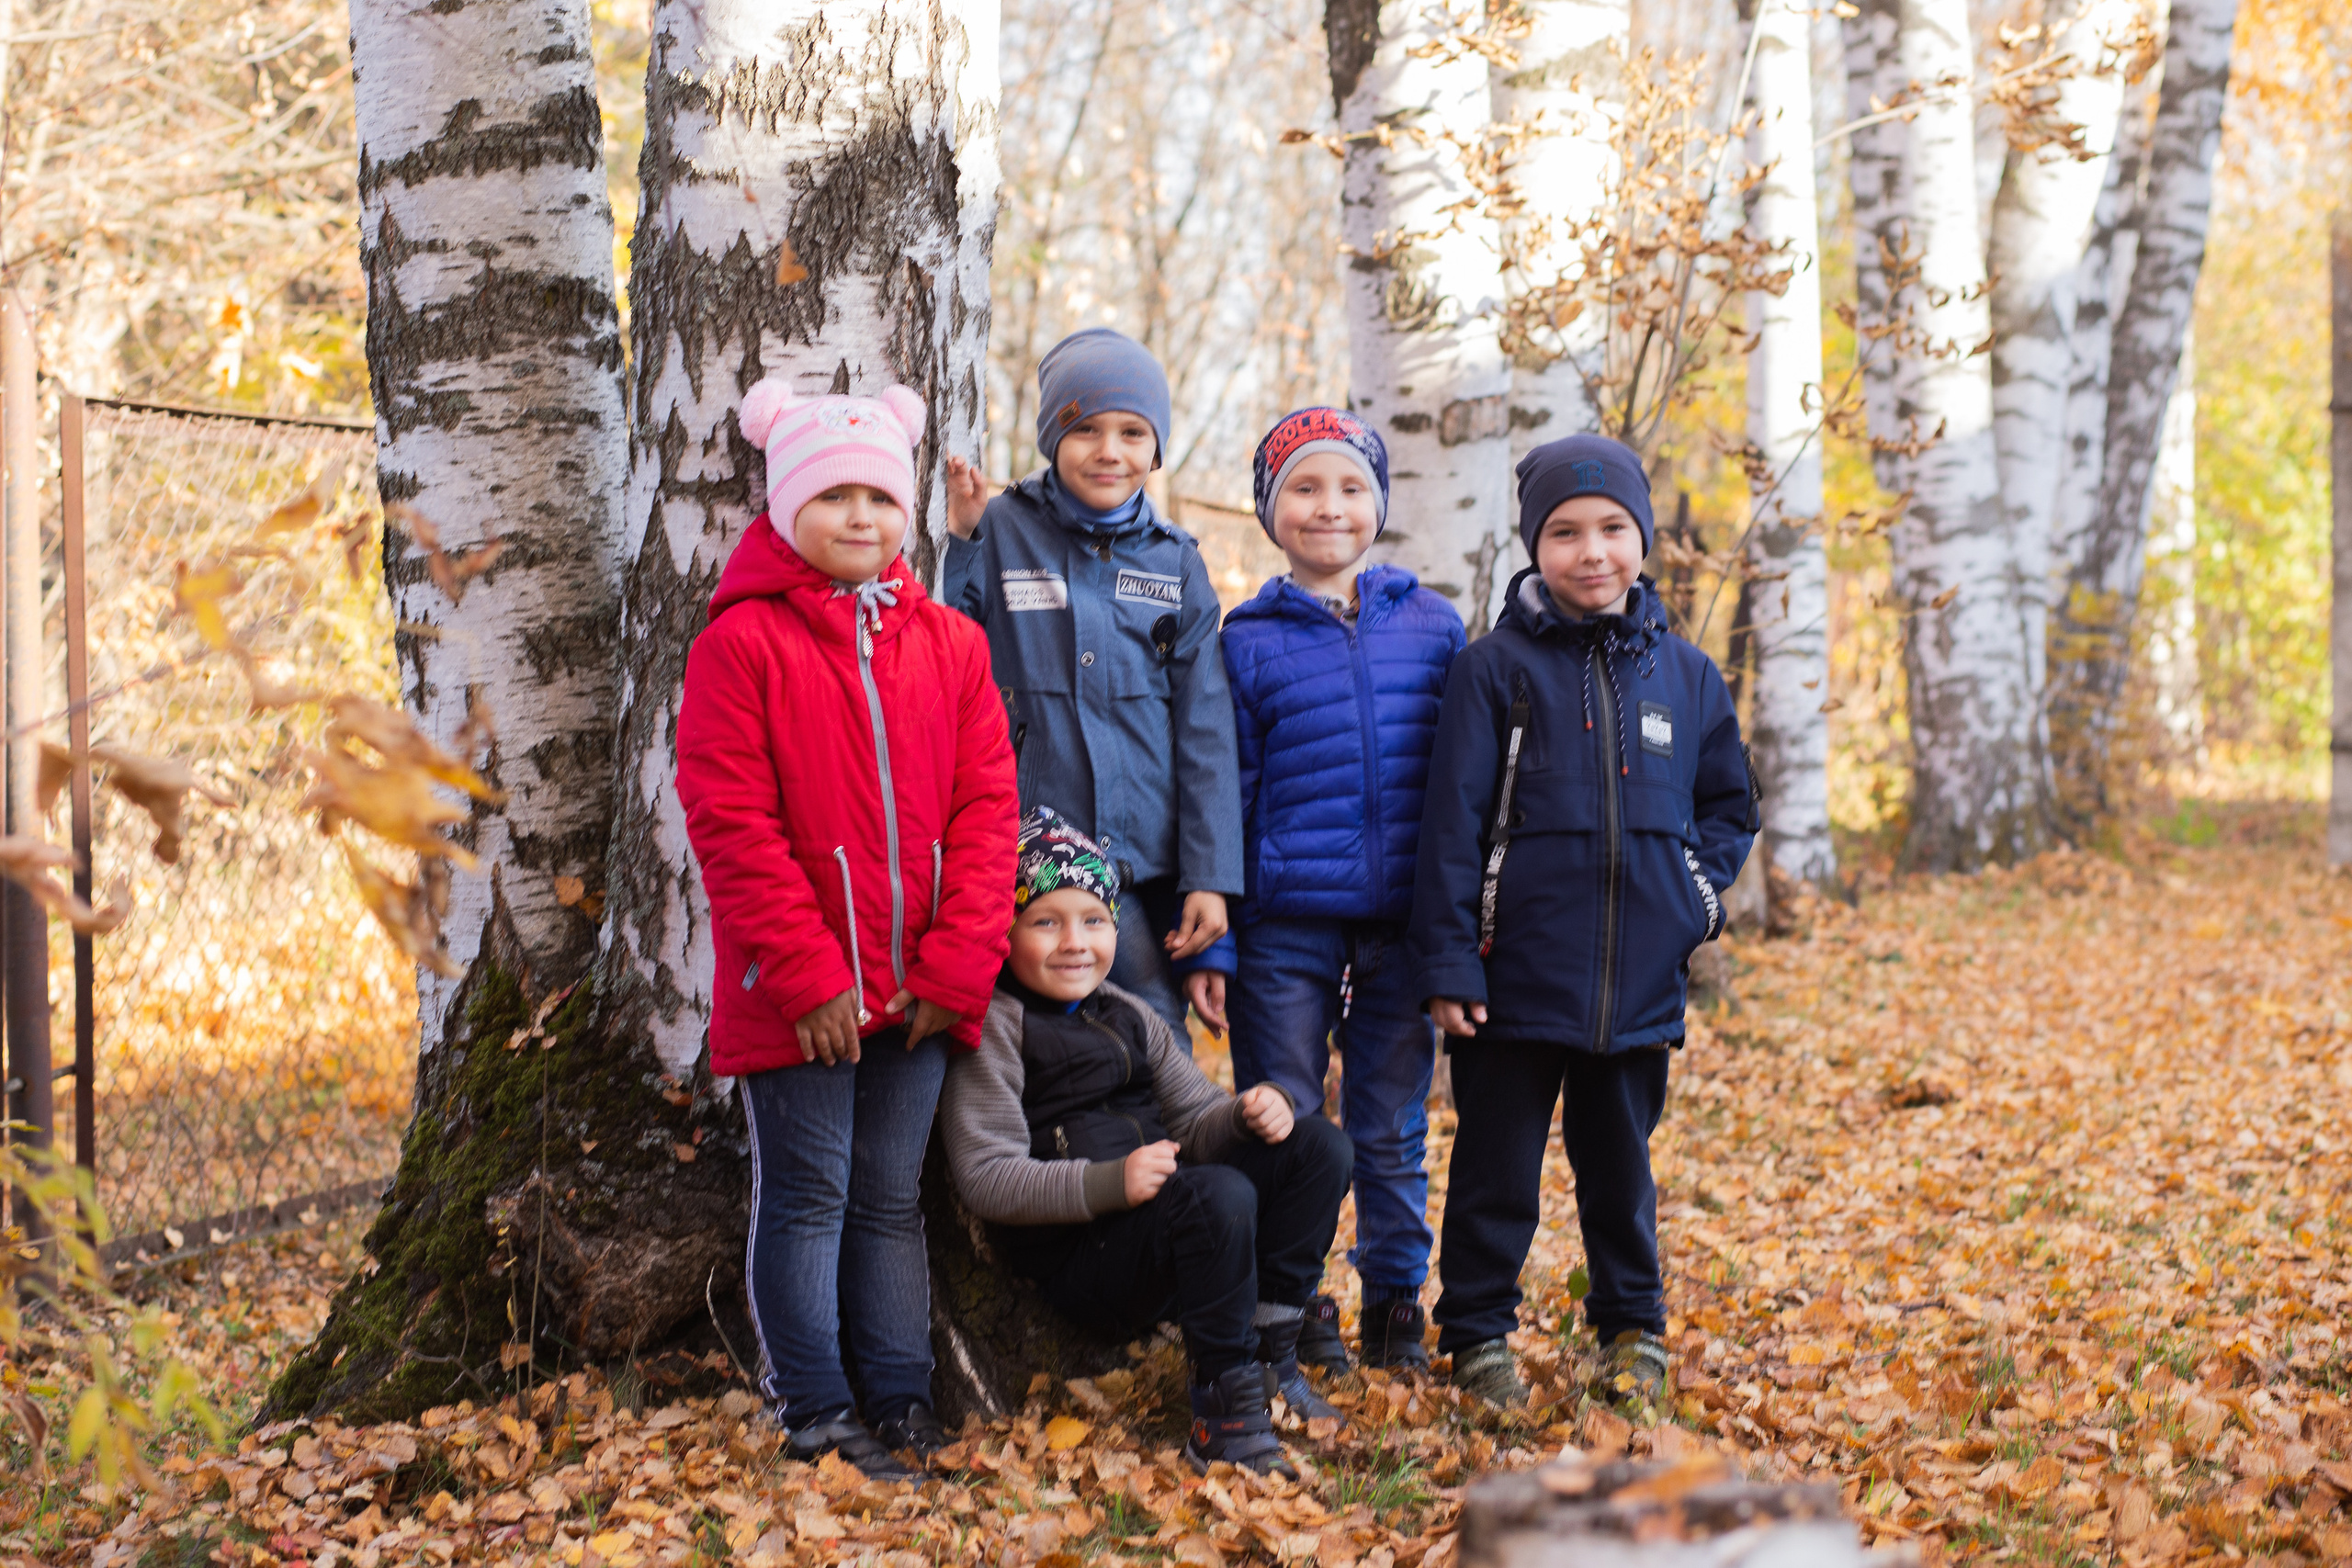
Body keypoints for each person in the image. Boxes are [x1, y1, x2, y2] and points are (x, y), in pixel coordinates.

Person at [675, 379, 1020, 1480]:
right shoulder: (742, 646)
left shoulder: (952, 648)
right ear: (785, 509)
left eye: (880, 494)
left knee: (890, 1199)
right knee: (809, 1196)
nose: (860, 516)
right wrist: (808, 976)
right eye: (833, 496)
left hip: (920, 991)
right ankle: (814, 1408)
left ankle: (901, 1396)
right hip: (800, 995)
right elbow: (729, 822)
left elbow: (985, 814)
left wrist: (957, 970)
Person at [1408, 434, 1758, 1412]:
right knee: (1495, 1173)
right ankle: (1477, 1335)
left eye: (1612, 529)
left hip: (1639, 982)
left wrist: (1696, 899)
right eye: (1564, 533)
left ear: (1641, 538)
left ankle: (1630, 1330)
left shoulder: (1686, 677)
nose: (1590, 551)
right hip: (1511, 980)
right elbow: (1450, 828)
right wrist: (1448, 961)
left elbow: (1730, 805)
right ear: (1534, 546)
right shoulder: (1493, 671)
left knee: (1621, 1173)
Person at [940, 807, 1353, 1478]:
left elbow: (1196, 1117)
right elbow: (986, 1173)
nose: (1075, 941)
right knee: (1217, 1194)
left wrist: (1251, 1111)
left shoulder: (1128, 1011)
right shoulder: (995, 1024)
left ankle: (1272, 1351)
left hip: (1169, 1221)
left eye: (1095, 920)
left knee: (1318, 1146)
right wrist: (1110, 1181)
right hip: (1084, 1256)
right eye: (1046, 920)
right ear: (1004, 929)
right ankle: (1224, 1410)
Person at [1189, 408, 1464, 1374]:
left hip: (1399, 929)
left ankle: (1395, 1306)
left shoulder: (1433, 627)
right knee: (1283, 1116)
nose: (1329, 507)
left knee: (1390, 1127)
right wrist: (1219, 941)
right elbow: (1229, 789)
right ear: (1271, 510)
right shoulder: (1247, 638)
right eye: (1303, 488)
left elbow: (1465, 789)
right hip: (1284, 924)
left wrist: (1458, 932)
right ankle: (1293, 1303)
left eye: (1350, 487)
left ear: (1378, 504)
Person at [941, 327, 1241, 1035]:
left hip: (1139, 872)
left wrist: (1210, 877)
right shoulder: (1002, 526)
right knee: (1022, 1043)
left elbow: (1206, 729)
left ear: (1156, 447)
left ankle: (1167, 1153)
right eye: (1085, 429)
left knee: (1152, 1035)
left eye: (1134, 432)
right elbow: (943, 645)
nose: (1110, 451)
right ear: (1052, 435)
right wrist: (959, 543)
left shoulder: (1175, 564)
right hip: (1024, 865)